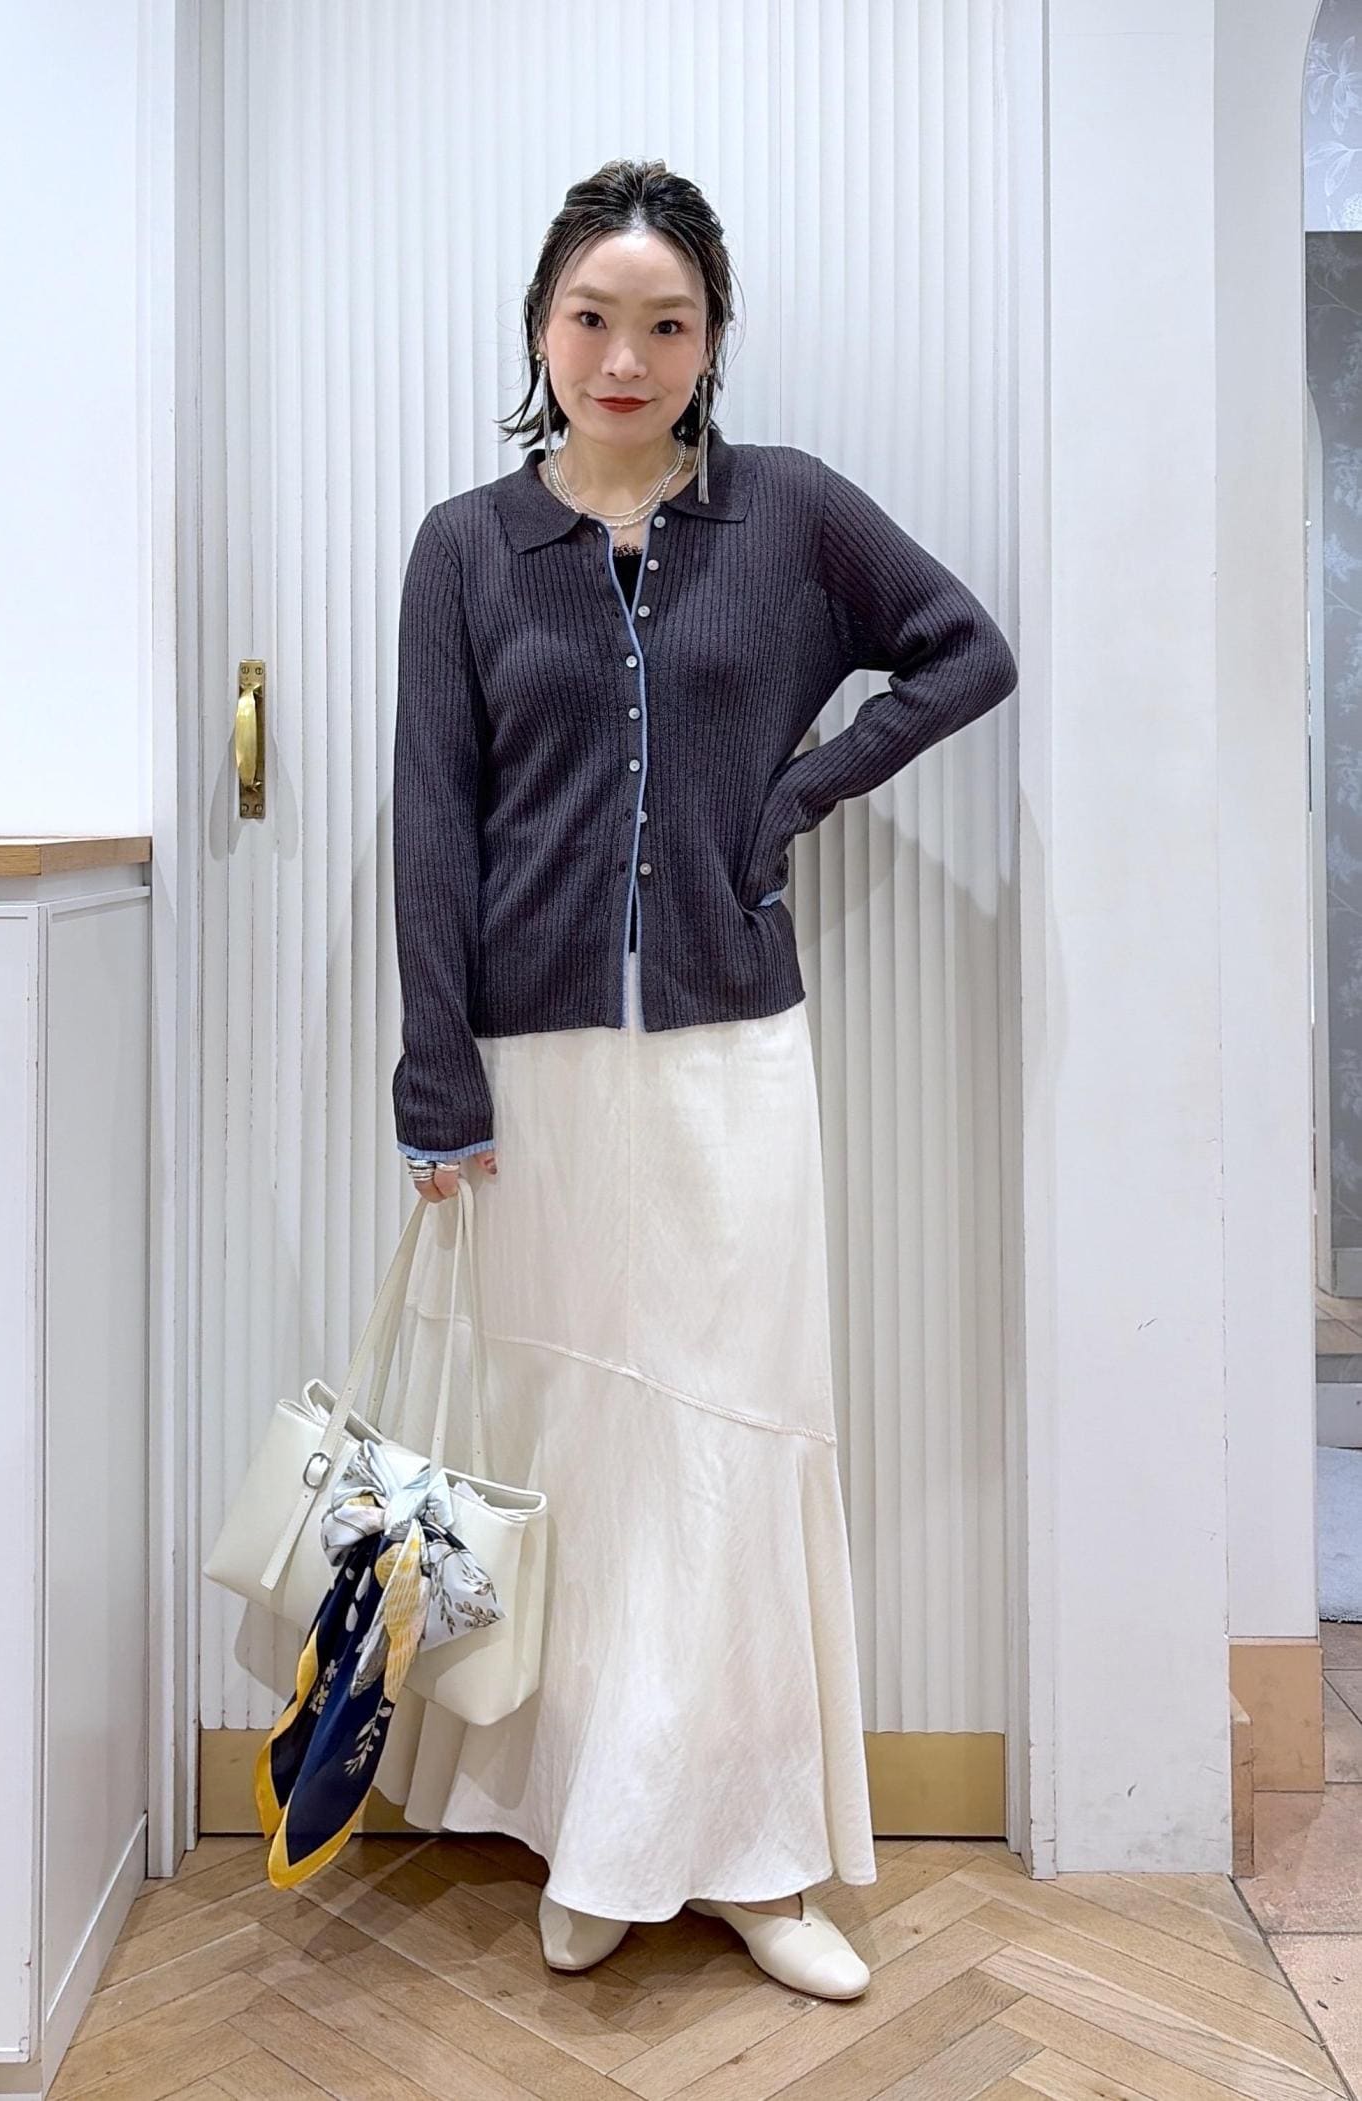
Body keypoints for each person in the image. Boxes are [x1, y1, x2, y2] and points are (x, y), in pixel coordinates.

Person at [375, 158, 1018, 2000]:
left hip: (736, 1059)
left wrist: (800, 788)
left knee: (736, 1445)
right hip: (537, 1074)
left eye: (666, 323)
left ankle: (751, 1851)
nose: (626, 355)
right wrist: (437, 1077)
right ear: (540, 329)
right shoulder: (464, 549)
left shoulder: (788, 514)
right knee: (574, 1454)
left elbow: (964, 651)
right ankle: (598, 1826)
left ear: (712, 340)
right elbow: (434, 823)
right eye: (594, 318)